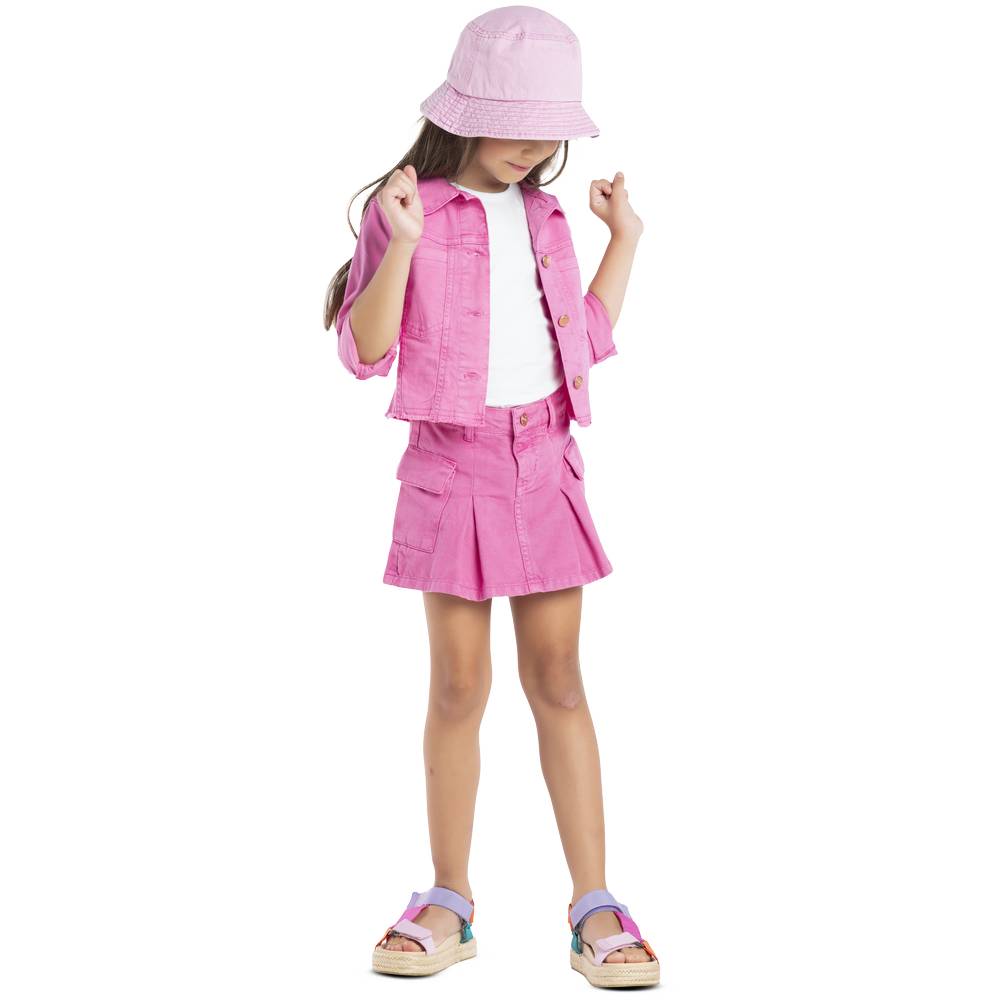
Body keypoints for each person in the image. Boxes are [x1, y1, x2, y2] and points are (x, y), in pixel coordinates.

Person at [323, 6, 655, 987]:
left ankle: (594, 905)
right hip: (451, 464)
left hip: (544, 461)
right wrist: (399, 240)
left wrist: (625, 238)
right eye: (517, 126)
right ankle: (449, 898)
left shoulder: (548, 217)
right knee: (458, 688)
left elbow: (583, 340)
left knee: (560, 680)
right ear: (463, 112)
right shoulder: (408, 208)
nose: (533, 149)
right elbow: (363, 351)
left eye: (547, 130)